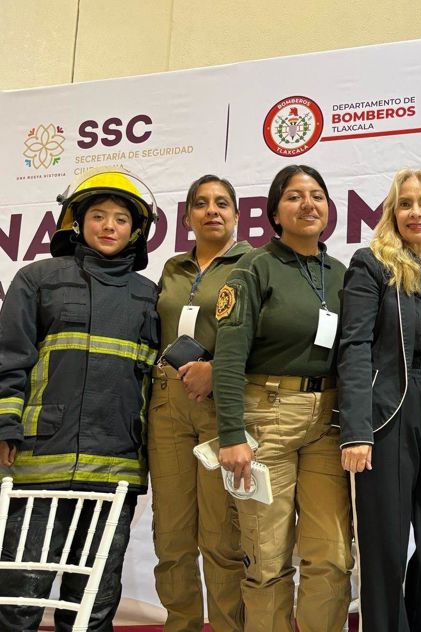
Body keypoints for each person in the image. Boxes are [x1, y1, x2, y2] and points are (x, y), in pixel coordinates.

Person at [0, 167, 159, 631]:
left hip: (116, 466)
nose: (109, 226)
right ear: (76, 221)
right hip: (40, 461)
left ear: (137, 232)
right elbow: (10, 360)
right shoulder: (37, 279)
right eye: (98, 216)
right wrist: (6, 427)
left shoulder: (150, 296)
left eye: (120, 220)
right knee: (18, 595)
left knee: (93, 600)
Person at [212, 165, 352, 632]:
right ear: (275, 212)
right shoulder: (254, 267)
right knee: (267, 558)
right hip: (265, 419)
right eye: (294, 197)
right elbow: (228, 359)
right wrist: (232, 434)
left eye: (317, 195)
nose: (308, 204)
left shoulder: (341, 273)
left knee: (331, 556)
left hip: (327, 421)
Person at [338, 168, 421, 631]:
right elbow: (353, 346)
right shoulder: (371, 264)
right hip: (390, 411)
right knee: (386, 551)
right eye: (406, 203)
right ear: (392, 213)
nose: (416, 212)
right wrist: (356, 430)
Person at [148, 174, 251, 631]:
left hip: (221, 402)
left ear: (236, 214)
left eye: (222, 203)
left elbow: (267, 335)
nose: (213, 210)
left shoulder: (254, 263)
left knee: (222, 534)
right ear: (187, 216)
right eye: (202, 204)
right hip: (167, 404)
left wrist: (219, 369)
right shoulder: (172, 268)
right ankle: (181, 625)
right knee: (171, 535)